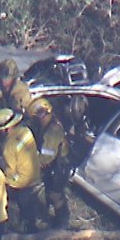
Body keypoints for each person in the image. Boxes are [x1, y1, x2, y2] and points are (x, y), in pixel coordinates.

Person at [0, 107, 44, 233]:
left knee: (0, 192)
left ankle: (13, 226)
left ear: (6, 129)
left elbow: (10, 171)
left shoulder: (8, 146)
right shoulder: (26, 131)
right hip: (35, 173)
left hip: (22, 182)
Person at [30, 98, 71, 229]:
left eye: (41, 114)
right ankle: (52, 215)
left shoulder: (53, 130)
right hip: (55, 165)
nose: (39, 117)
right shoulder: (45, 124)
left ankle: (62, 222)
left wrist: (32, 163)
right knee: (50, 192)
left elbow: (46, 157)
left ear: (48, 112)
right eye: (37, 114)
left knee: (55, 194)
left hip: (60, 166)